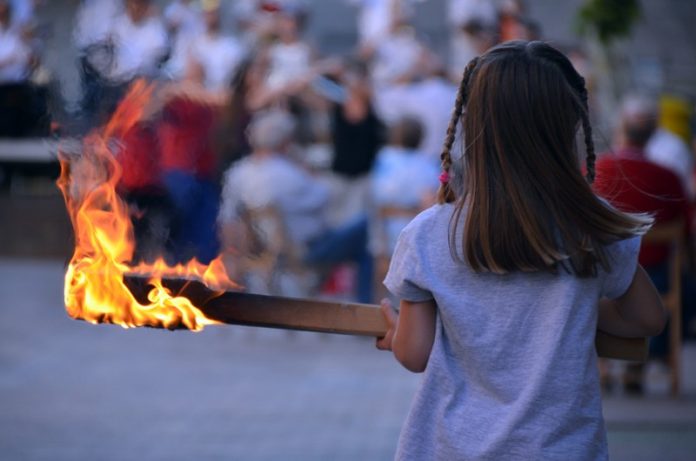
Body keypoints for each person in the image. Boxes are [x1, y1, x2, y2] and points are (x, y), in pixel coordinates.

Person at [375, 41, 666, 460]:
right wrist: (572, 315)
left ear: (474, 124)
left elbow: (415, 354)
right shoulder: (595, 227)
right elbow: (647, 318)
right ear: (569, 125)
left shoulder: (428, 234)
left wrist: (394, 332)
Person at [593, 95, 690, 393]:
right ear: (653, 133)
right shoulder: (668, 176)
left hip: (603, 273)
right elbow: (684, 225)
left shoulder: (599, 169)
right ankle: (642, 364)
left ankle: (605, 366)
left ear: (622, 128)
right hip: (656, 275)